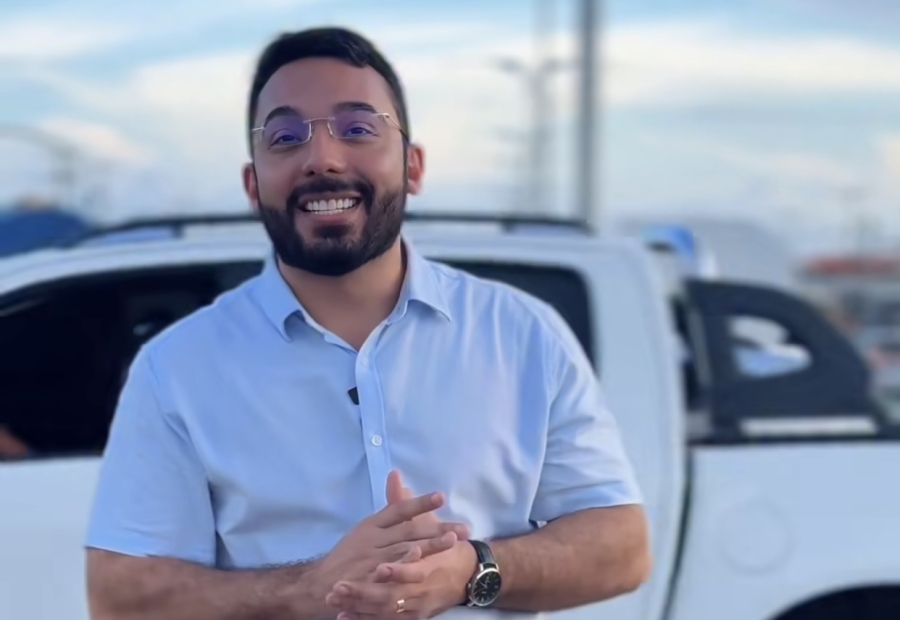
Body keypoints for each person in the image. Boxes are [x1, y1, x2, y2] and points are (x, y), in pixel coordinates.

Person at [84, 26, 650, 620]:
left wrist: (472, 570)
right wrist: (305, 589)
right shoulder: (176, 368)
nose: (322, 159)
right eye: (285, 137)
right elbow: (120, 599)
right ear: (253, 184)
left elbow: (621, 547)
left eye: (357, 129)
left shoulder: (523, 333)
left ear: (413, 166)